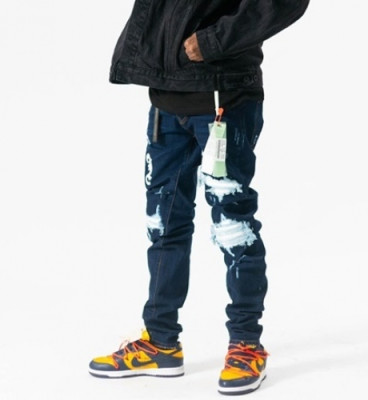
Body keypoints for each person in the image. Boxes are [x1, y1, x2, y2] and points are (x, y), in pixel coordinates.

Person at [89, 0, 309, 395]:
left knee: (233, 227)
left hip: (224, 99)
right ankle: (160, 342)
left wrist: (213, 41)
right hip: (166, 100)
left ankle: (246, 344)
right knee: (164, 225)